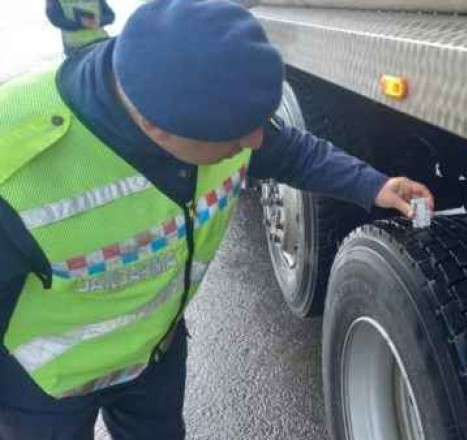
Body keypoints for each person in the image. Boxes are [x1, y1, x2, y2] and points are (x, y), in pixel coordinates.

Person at [0, 0, 434, 438]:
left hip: (154, 358)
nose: (255, 140)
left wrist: (373, 185)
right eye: (237, 134)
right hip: (44, 392)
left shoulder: (206, 117)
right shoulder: (15, 169)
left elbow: (291, 152)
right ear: (157, 128)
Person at [45, 0, 115, 55]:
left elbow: (110, 15)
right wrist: (80, 24)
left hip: (101, 42)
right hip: (76, 49)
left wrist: (99, 21)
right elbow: (55, 18)